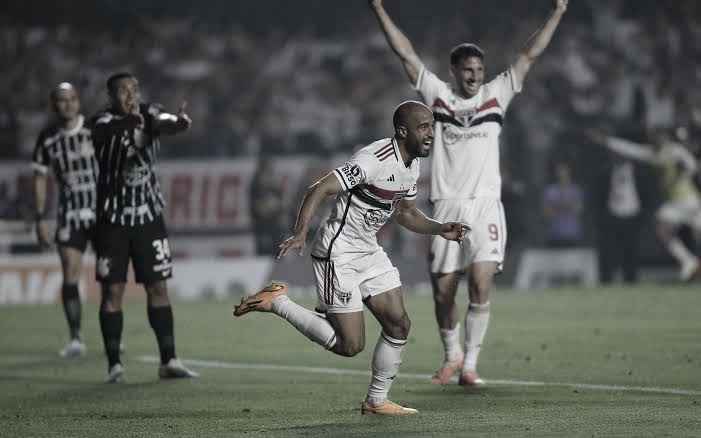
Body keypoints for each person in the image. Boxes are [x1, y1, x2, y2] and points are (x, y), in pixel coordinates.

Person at [370, 0, 568, 386]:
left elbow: (530, 53)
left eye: (479, 70)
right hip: (446, 207)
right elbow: (404, 52)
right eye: (468, 70)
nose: (475, 76)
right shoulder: (438, 97)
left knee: (480, 282)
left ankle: (471, 365)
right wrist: (378, 8)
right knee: (444, 293)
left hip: (485, 206)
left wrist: (557, 12)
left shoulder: (498, 94)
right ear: (455, 72)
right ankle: (452, 355)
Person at [233, 101, 467, 415]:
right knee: (350, 345)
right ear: (402, 130)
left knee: (399, 324)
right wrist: (301, 232)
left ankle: (376, 401)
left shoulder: (412, 164)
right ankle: (278, 303)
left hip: (368, 251)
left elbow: (406, 213)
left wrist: (440, 228)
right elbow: (319, 188)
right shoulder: (373, 160)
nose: (430, 133)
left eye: (431, 126)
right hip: (337, 253)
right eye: (423, 127)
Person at [91, 72, 198, 382]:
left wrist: (177, 123)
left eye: (134, 89)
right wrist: (138, 122)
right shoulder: (100, 122)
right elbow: (106, 132)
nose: (130, 95)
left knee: (158, 287)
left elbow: (162, 119)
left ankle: (169, 361)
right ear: (111, 96)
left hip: (149, 218)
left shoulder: (149, 113)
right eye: (123, 90)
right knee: (113, 290)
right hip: (113, 221)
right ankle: (114, 365)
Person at [32, 82, 98, 358]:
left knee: (110, 275)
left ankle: (112, 333)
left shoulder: (95, 130)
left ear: (78, 102)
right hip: (69, 214)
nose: (67, 104)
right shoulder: (47, 138)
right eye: (62, 100)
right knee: (70, 271)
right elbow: (40, 178)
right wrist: (40, 218)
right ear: (54, 105)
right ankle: (76, 337)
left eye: (72, 99)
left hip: (101, 212)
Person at [588, 129, 701, 281]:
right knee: (662, 229)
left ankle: (689, 261)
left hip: (689, 200)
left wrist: (681, 174)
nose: (654, 141)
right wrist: (607, 141)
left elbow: (693, 165)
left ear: (664, 138)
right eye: (651, 138)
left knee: (692, 232)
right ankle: (688, 261)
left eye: (657, 137)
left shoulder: (675, 151)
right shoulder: (652, 154)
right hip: (675, 204)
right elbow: (630, 149)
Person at [543, 162, 583, 247]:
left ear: (569, 173)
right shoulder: (550, 191)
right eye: (560, 171)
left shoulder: (576, 190)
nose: (562, 174)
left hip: (572, 235)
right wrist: (564, 205)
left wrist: (558, 205)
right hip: (555, 235)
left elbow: (578, 210)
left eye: (564, 171)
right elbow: (547, 213)